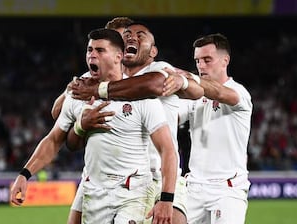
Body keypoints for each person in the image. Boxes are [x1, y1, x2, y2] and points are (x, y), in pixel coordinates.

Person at [10, 28, 178, 224]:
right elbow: (54, 139)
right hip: (95, 191)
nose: (92, 55)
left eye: (100, 50)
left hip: (133, 191)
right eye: (89, 50)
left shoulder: (142, 98)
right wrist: (24, 174)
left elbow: (168, 149)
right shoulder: (79, 95)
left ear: (118, 57)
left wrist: (166, 199)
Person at [71, 22, 204, 224]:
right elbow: (58, 112)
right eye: (127, 35)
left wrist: (183, 82)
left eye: (140, 35)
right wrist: (70, 96)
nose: (132, 38)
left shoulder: (159, 69)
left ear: (153, 51)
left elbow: (194, 90)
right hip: (116, 180)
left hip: (161, 175)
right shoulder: (101, 77)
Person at [50, 16, 134, 224]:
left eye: (127, 37)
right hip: (96, 174)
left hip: (138, 174)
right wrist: (71, 91)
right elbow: (56, 113)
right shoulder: (89, 77)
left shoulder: (145, 75)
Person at [177, 33, 252, 223]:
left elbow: (220, 92)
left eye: (207, 60)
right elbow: (172, 117)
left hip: (227, 189)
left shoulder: (239, 92)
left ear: (225, 60)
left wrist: (188, 79)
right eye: (197, 61)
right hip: (194, 188)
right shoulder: (195, 95)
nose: (201, 66)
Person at [51, 17, 134, 120]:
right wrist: (68, 92)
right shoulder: (89, 79)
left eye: (124, 40)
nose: (122, 45)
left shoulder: (147, 74)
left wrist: (97, 90)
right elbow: (56, 113)